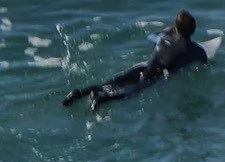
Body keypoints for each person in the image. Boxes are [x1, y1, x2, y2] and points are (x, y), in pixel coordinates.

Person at [63, 11, 208, 106]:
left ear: (175, 28)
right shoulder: (195, 50)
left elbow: (151, 37)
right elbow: (204, 61)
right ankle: (102, 99)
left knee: (109, 85)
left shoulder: (164, 37)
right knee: (129, 93)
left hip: (144, 67)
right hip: (156, 76)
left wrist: (167, 31)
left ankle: (80, 93)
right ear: (193, 30)